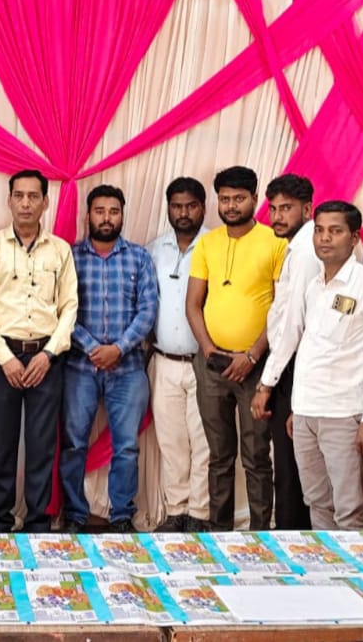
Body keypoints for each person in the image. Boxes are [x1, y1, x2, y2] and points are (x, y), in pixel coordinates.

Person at [254, 201, 363, 530]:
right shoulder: (314, 286)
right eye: (319, 230)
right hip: (306, 412)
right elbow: (300, 342)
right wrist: (296, 405)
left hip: (345, 413)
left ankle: (354, 564)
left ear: (354, 238)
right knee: (316, 501)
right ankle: (327, 563)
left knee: (350, 509)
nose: (325, 238)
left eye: (335, 231)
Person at [0, 169, 78, 532]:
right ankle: (0, 520)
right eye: (19, 196)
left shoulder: (60, 250)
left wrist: (48, 355)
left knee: (41, 445)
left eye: (34, 196)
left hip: (46, 359)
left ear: (46, 202)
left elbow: (69, 307)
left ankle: (37, 523)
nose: (26, 203)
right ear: (9, 200)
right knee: (2, 445)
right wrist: (4, 358)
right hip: (2, 359)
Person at [185, 166, 287, 531]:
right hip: (212, 365)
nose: (231, 206)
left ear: (255, 200)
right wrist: (209, 350)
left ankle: (259, 535)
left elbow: (281, 309)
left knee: (257, 455)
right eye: (225, 199)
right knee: (219, 456)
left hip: (256, 367)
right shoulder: (207, 243)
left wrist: (252, 356)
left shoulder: (275, 242)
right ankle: (219, 533)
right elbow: (193, 304)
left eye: (239, 198)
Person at [62, 185, 158, 534]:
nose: (106, 218)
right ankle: (74, 513)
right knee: (73, 443)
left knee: (127, 446)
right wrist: (93, 347)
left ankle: (121, 516)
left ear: (122, 215)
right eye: (100, 211)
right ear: (87, 215)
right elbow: (62, 310)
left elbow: (148, 309)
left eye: (114, 211)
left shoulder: (139, 257)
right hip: (79, 367)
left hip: (128, 368)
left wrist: (118, 348)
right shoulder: (69, 258)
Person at [146, 177, 212, 533]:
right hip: (163, 361)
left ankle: (200, 513)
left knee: (204, 442)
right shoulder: (154, 251)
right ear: (168, 208)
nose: (183, 213)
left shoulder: (216, 246)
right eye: (176, 206)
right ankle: (175, 511)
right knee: (170, 441)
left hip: (204, 362)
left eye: (190, 206)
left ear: (203, 207)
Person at [259, 173, 314, 531]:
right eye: (274, 209)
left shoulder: (306, 251)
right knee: (290, 462)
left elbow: (292, 324)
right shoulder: (295, 247)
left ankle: (292, 539)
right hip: (289, 365)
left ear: (307, 210)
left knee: (292, 465)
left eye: (287, 209)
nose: (277, 217)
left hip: (295, 368)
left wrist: (266, 383)